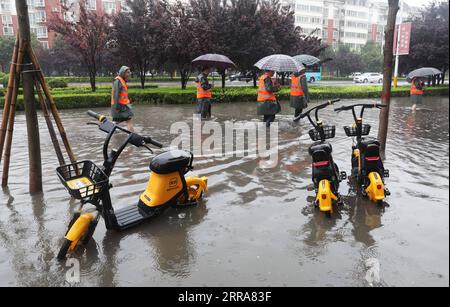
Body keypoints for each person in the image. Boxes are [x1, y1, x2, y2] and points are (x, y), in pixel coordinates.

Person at [111, 66, 134, 131]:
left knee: (116, 122)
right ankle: (133, 137)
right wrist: (117, 107)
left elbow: (122, 94)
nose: (129, 74)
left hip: (122, 106)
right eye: (128, 72)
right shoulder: (118, 81)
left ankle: (113, 136)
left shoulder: (121, 81)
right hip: (120, 106)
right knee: (129, 120)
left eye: (130, 72)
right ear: (123, 73)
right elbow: (116, 95)